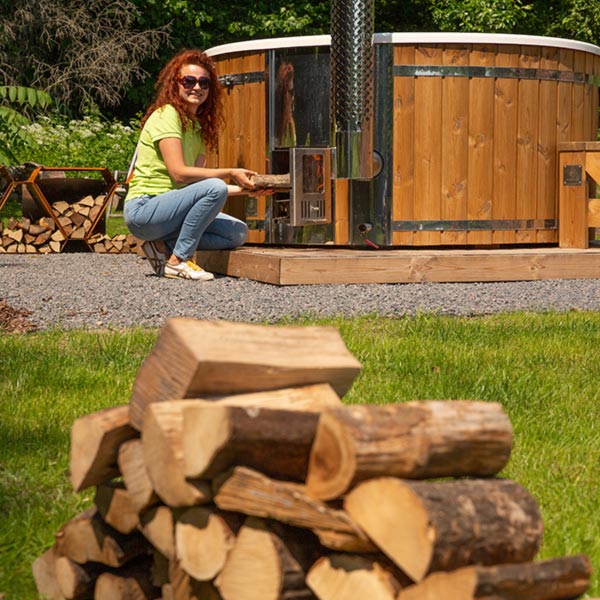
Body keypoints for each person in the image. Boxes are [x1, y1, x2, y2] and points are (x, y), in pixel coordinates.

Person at [124, 49, 256, 281]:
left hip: (172, 213)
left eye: (204, 83)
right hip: (145, 208)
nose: (197, 87)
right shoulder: (167, 115)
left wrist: (249, 189)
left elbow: (199, 187)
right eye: (189, 81)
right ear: (174, 84)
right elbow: (180, 175)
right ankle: (178, 261)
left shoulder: (197, 128)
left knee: (237, 232)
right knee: (215, 186)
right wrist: (231, 172)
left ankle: (163, 244)